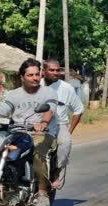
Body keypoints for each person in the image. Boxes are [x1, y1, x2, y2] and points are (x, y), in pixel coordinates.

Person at [0, 58, 58, 206]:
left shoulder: (48, 92)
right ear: (22, 77)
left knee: (38, 152)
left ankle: (42, 193)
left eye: (37, 74)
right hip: (17, 131)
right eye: (30, 75)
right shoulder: (13, 94)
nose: (35, 78)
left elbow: (49, 110)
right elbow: (1, 110)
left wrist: (43, 123)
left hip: (41, 132)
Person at [41, 59, 84, 189]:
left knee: (65, 142)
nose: (55, 73)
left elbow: (78, 109)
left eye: (57, 70)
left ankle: (57, 173)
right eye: (51, 70)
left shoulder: (66, 88)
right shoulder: (35, 85)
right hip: (35, 124)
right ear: (44, 71)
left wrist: (69, 130)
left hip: (59, 124)